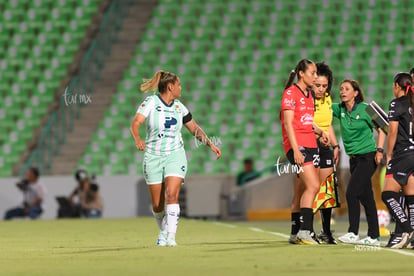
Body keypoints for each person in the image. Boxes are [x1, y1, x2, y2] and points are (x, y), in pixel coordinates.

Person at [130, 70, 221, 247]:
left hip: (175, 155)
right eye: (179, 85)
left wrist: (211, 144)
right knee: (157, 205)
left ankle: (171, 236)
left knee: (171, 194)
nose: (181, 88)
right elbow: (135, 123)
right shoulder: (151, 102)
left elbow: (194, 128)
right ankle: (163, 232)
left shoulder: (180, 107)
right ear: (170, 86)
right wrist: (138, 138)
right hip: (153, 156)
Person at [281, 59, 329, 245]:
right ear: (301, 73)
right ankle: (306, 231)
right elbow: (288, 123)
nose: (315, 76)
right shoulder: (290, 93)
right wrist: (295, 150)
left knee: (302, 189)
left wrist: (321, 131)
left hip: (311, 145)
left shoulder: (309, 94)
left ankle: (295, 233)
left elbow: (307, 121)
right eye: (312, 72)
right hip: (299, 147)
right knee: (313, 186)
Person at [333, 79, 385, 245]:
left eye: (346, 89)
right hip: (353, 160)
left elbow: (383, 128)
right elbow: (321, 105)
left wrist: (380, 150)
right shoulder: (339, 109)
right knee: (366, 197)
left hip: (369, 157)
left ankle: (353, 232)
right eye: (341, 89)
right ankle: (374, 236)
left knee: (351, 193)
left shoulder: (366, 109)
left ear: (355, 93)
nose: (342, 91)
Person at [381, 72, 414, 248]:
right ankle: (412, 234)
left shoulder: (396, 103)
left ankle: (407, 229)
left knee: (387, 194)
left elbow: (392, 131)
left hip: (402, 154)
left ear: (397, 86)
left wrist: (389, 154)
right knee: (411, 196)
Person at [312, 62, 340, 244]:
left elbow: (327, 123)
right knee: (311, 188)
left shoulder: (327, 99)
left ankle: (326, 231)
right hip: (309, 145)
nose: (322, 89)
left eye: (325, 86)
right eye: (318, 85)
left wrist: (336, 145)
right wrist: (320, 134)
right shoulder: (306, 98)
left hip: (324, 146)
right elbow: (305, 123)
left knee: (327, 189)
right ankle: (303, 229)